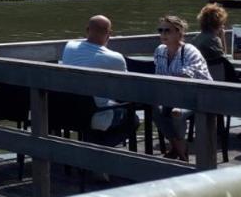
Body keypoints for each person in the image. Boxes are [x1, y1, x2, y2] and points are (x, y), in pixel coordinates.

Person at [59, 15, 138, 146]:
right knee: (132, 120)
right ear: (109, 34)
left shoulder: (69, 46)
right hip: (94, 115)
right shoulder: (115, 58)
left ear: (87, 30)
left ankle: (91, 148)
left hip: (68, 112)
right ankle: (98, 152)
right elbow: (125, 90)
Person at [153, 15, 211, 161]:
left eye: (167, 30)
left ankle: (179, 151)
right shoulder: (160, 51)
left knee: (176, 112)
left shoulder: (189, 51)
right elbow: (158, 76)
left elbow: (186, 77)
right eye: (160, 30)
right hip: (172, 96)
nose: (163, 34)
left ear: (179, 32)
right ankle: (180, 148)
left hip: (198, 95)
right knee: (155, 109)